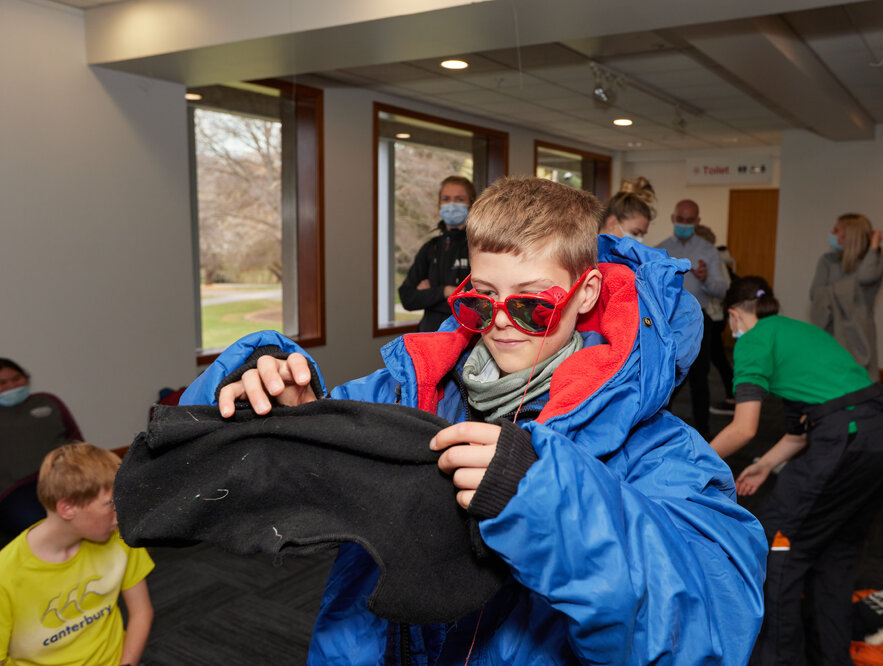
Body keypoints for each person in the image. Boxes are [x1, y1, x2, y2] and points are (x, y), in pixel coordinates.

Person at [181, 176, 767, 664]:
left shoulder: (661, 452)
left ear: (586, 294)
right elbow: (232, 468)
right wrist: (265, 387)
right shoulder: (409, 392)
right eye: (481, 300)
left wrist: (545, 499)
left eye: (533, 304)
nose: (502, 323)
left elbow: (706, 632)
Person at [710, 276, 883, 666]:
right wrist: (764, 465)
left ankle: (778, 659)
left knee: (780, 546)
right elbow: (799, 435)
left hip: (845, 439)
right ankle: (831, 658)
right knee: (835, 554)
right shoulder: (798, 331)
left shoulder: (752, 340)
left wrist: (692, 461)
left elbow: (743, 428)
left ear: (733, 314)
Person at [0, 442, 155, 666]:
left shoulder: (118, 537)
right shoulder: (6, 574)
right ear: (68, 508)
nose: (119, 515)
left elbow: (142, 613)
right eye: (110, 504)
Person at [655, 199, 728, 437]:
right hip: (667, 321)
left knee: (699, 380)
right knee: (665, 379)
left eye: (690, 221)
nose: (684, 224)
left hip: (699, 321)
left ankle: (704, 434)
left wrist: (705, 278)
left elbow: (722, 290)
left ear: (697, 221)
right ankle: (660, 432)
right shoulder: (660, 249)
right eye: (681, 220)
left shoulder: (708, 251)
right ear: (673, 218)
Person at [0, 358, 84, 544]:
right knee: (40, 524)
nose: (11, 386)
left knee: (96, 509)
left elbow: (75, 438)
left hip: (64, 477)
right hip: (15, 490)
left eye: (16, 379)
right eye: (2, 383)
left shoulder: (48, 401)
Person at [809, 213, 883, 381]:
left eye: (836, 230)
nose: (832, 233)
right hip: (830, 328)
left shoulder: (877, 261)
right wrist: (848, 289)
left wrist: (873, 247)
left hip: (859, 332)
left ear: (850, 235)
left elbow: (865, 277)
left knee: (859, 381)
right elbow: (815, 294)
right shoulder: (827, 261)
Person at [398, 175, 477, 332]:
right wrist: (445, 291)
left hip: (468, 340)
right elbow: (407, 298)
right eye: (446, 199)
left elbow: (475, 304)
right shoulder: (430, 248)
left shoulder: (479, 247)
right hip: (429, 337)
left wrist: (428, 296)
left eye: (459, 199)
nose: (452, 204)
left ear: (471, 205)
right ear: (439, 205)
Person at [693, 225, 736, 416]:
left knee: (713, 361)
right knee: (716, 359)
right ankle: (733, 395)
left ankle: (733, 396)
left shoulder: (712, 258)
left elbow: (722, 287)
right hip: (711, 316)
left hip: (711, 316)